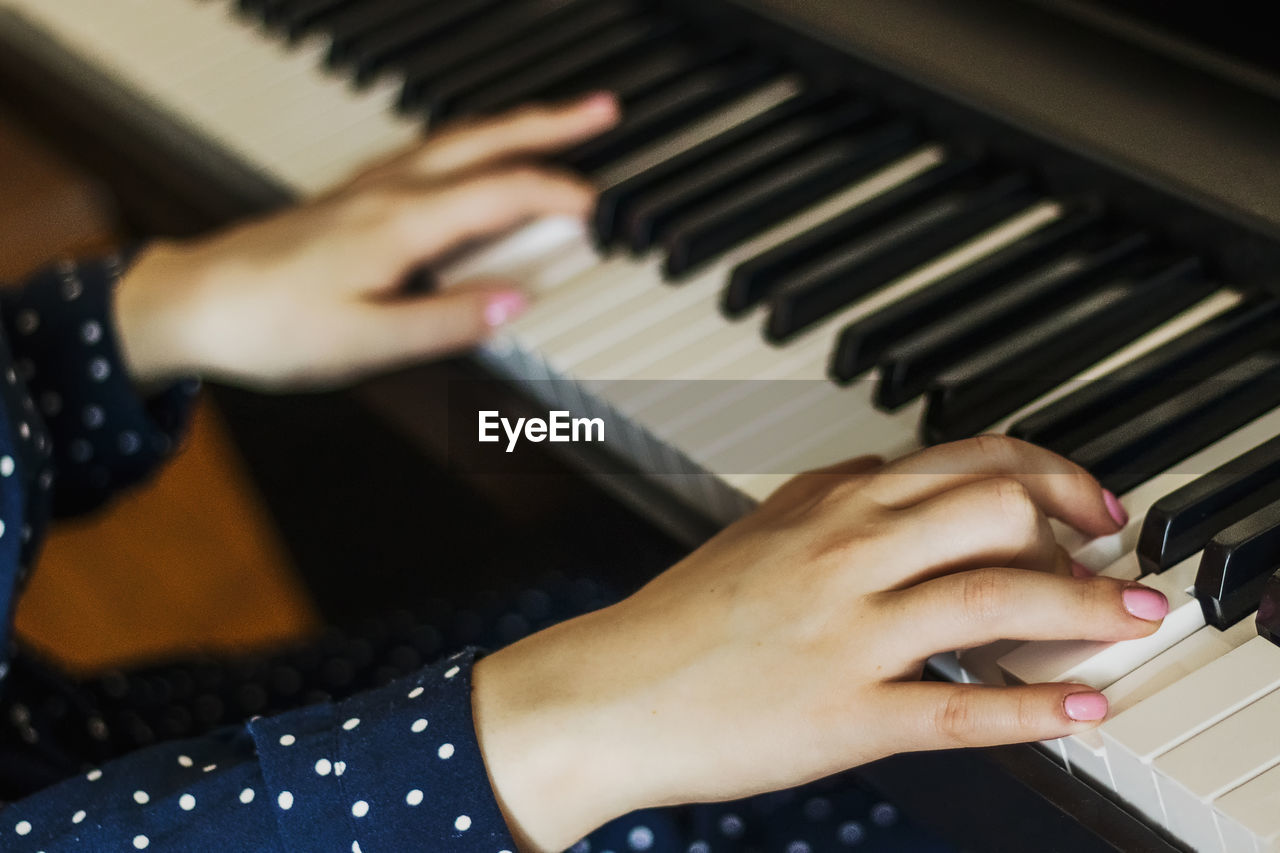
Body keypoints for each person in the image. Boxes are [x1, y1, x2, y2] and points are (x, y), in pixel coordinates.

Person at [0, 92, 1167, 852]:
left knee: (640, 552)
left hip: (184, 749)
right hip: (359, 804)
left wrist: (120, 327)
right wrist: (561, 723)